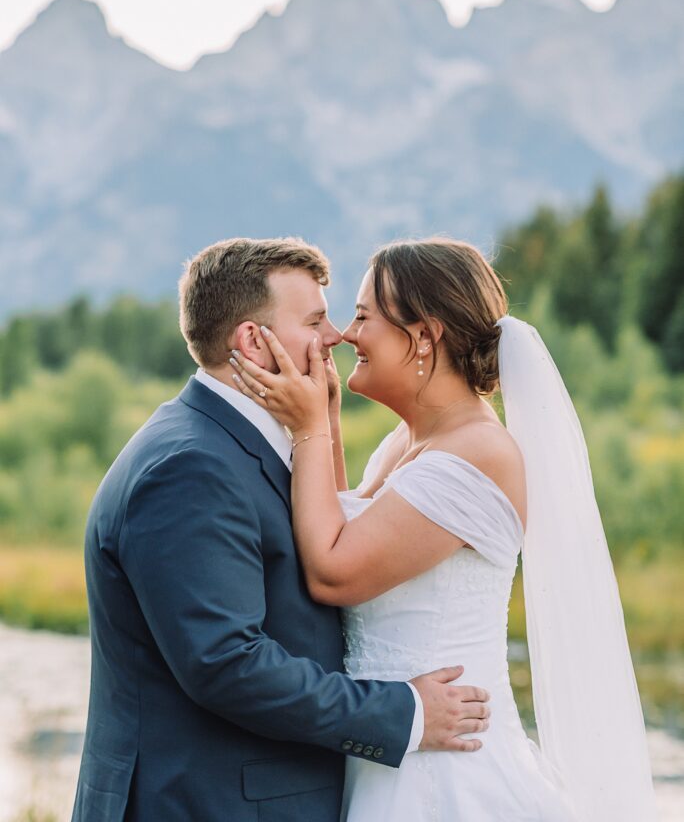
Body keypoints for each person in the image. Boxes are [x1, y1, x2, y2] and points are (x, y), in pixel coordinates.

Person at [231, 237, 658, 822]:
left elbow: (334, 573)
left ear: (424, 337)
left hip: (446, 771)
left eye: (362, 316)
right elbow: (336, 521)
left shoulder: (477, 452)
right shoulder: (405, 442)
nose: (347, 335)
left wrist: (306, 429)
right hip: (395, 750)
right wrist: (324, 419)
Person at [70, 237, 492, 822]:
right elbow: (228, 664)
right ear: (251, 341)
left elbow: (336, 533)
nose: (334, 337)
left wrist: (321, 424)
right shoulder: (191, 467)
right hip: (207, 805)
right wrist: (406, 713)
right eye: (316, 320)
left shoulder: (232, 443)